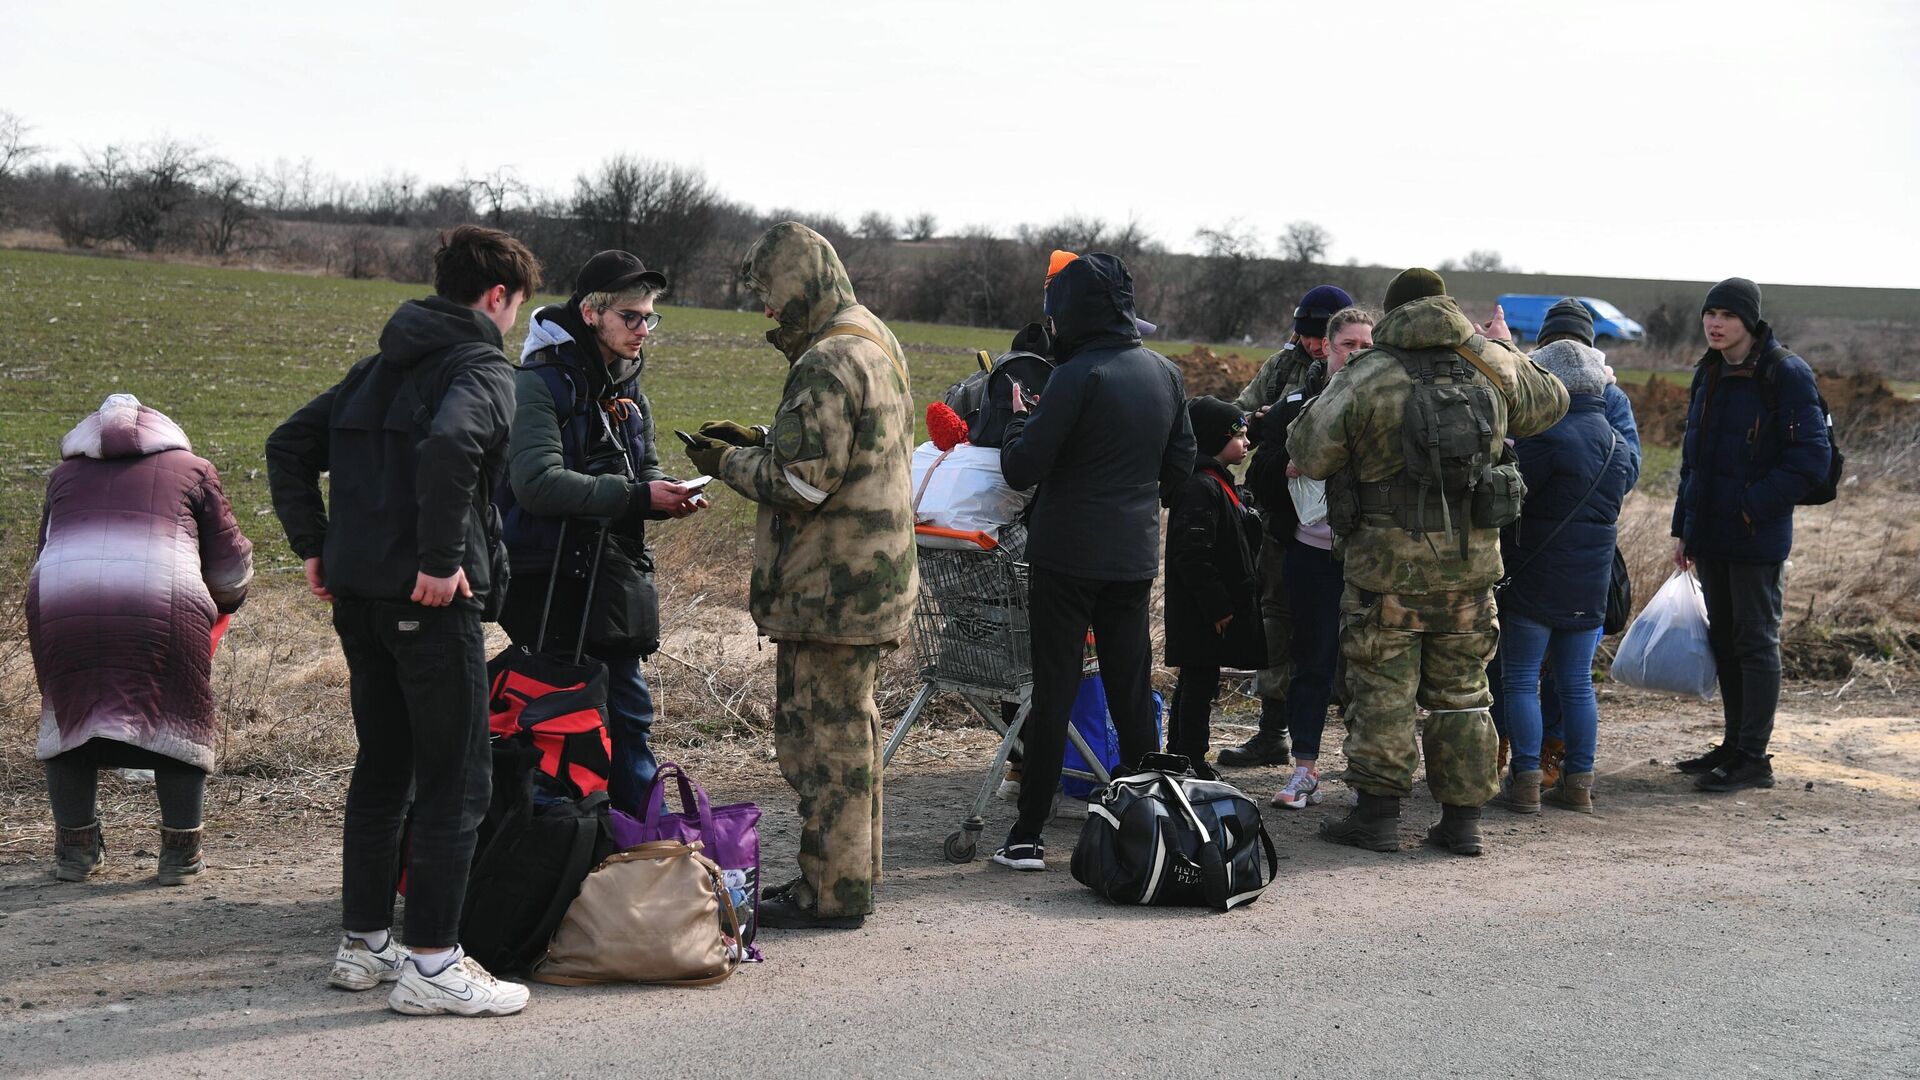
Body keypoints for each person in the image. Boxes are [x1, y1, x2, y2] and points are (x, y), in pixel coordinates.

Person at [266, 224, 540, 1016]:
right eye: (517, 305)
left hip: (359, 601)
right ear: (498, 297)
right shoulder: (485, 367)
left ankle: (364, 945)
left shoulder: (374, 369)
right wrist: (439, 556)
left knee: (384, 769)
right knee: (458, 781)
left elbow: (287, 444)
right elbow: (454, 444)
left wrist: (314, 547)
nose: (515, 318)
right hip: (431, 603)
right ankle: (433, 965)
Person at [683, 221, 916, 929]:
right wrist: (766, 438)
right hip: (874, 583)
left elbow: (802, 485)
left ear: (796, 281)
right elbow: (841, 452)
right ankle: (852, 878)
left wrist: (722, 462)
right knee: (854, 738)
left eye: (767, 292)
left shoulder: (826, 358)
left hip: (830, 591)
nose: (765, 309)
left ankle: (831, 893)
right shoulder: (871, 336)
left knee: (821, 747)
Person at [1288, 268, 1568, 856]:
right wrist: (1496, 345)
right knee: (1463, 693)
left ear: (1390, 314)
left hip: (1383, 570)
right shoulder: (1489, 362)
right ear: (1448, 308)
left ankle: (1379, 817)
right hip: (1471, 570)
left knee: (1383, 689)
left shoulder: (1370, 373)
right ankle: (1462, 821)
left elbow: (1308, 451)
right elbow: (1554, 401)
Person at [987, 251, 1196, 871]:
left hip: (1065, 554)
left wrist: (1020, 424)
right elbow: (1179, 469)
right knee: (1131, 689)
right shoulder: (1165, 374)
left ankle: (1028, 835)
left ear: (1070, 314)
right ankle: (1147, 820)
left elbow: (1022, 467)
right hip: (1132, 555)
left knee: (1054, 690)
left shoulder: (1077, 375)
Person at [499, 250, 705, 815]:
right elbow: (537, 484)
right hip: (548, 583)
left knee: (627, 720)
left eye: (649, 318)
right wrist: (639, 497)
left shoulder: (628, 387)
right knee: (564, 726)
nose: (643, 330)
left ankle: (631, 856)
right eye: (631, 318)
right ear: (591, 314)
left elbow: (648, 469)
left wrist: (668, 497)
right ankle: (580, 852)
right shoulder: (538, 384)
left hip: (611, 581)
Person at [29, 394, 253, 885]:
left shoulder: (63, 477)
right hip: (162, 604)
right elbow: (231, 568)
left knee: (71, 711)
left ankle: (76, 850)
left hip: (64, 604)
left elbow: (46, 547)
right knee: (178, 712)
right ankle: (180, 854)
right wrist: (226, 602)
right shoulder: (194, 471)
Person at [1671, 278, 1831, 793]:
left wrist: (1749, 510)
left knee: (1755, 641)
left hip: (1754, 534)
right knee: (1725, 640)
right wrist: (1684, 527)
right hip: (1712, 532)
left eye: (1726, 316)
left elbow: (1811, 461)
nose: (1714, 324)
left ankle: (1753, 758)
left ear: (1749, 321)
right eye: (1709, 314)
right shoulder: (1709, 371)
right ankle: (1733, 743)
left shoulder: (1784, 373)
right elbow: (1693, 460)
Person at [1489, 310, 1639, 814]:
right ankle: (1579, 783)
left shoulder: (1543, 438)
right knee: (1576, 685)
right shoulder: (1618, 444)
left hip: (1536, 574)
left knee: (1520, 679)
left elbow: (1510, 501)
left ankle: (1526, 779)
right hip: (1590, 580)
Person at [1217, 283, 1353, 768]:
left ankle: (1343, 740)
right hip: (1282, 517)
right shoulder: (1283, 366)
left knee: (1346, 631)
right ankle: (1272, 731)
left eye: (1324, 338)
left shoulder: (1363, 370)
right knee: (1278, 620)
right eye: (1309, 337)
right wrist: (1259, 420)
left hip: (1343, 525)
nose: (1316, 346)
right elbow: (1239, 419)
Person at [1267, 307, 1375, 810]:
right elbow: (1261, 470)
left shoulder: (1384, 403)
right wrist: (1287, 466)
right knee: (1312, 662)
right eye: (1348, 344)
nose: (1357, 353)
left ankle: (1367, 772)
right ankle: (1304, 769)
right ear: (1325, 348)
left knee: (1369, 670)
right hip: (1311, 553)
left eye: (1366, 345)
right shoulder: (1298, 404)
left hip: (1370, 557)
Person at [1162, 397, 1261, 780]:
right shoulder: (1200, 488)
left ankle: (1184, 753)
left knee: (1199, 680)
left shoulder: (1217, 481)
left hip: (1205, 611)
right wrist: (1218, 606)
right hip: (1201, 612)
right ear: (1212, 439)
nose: (1246, 442)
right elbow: (1193, 555)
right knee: (1198, 683)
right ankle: (1189, 756)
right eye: (1239, 435)